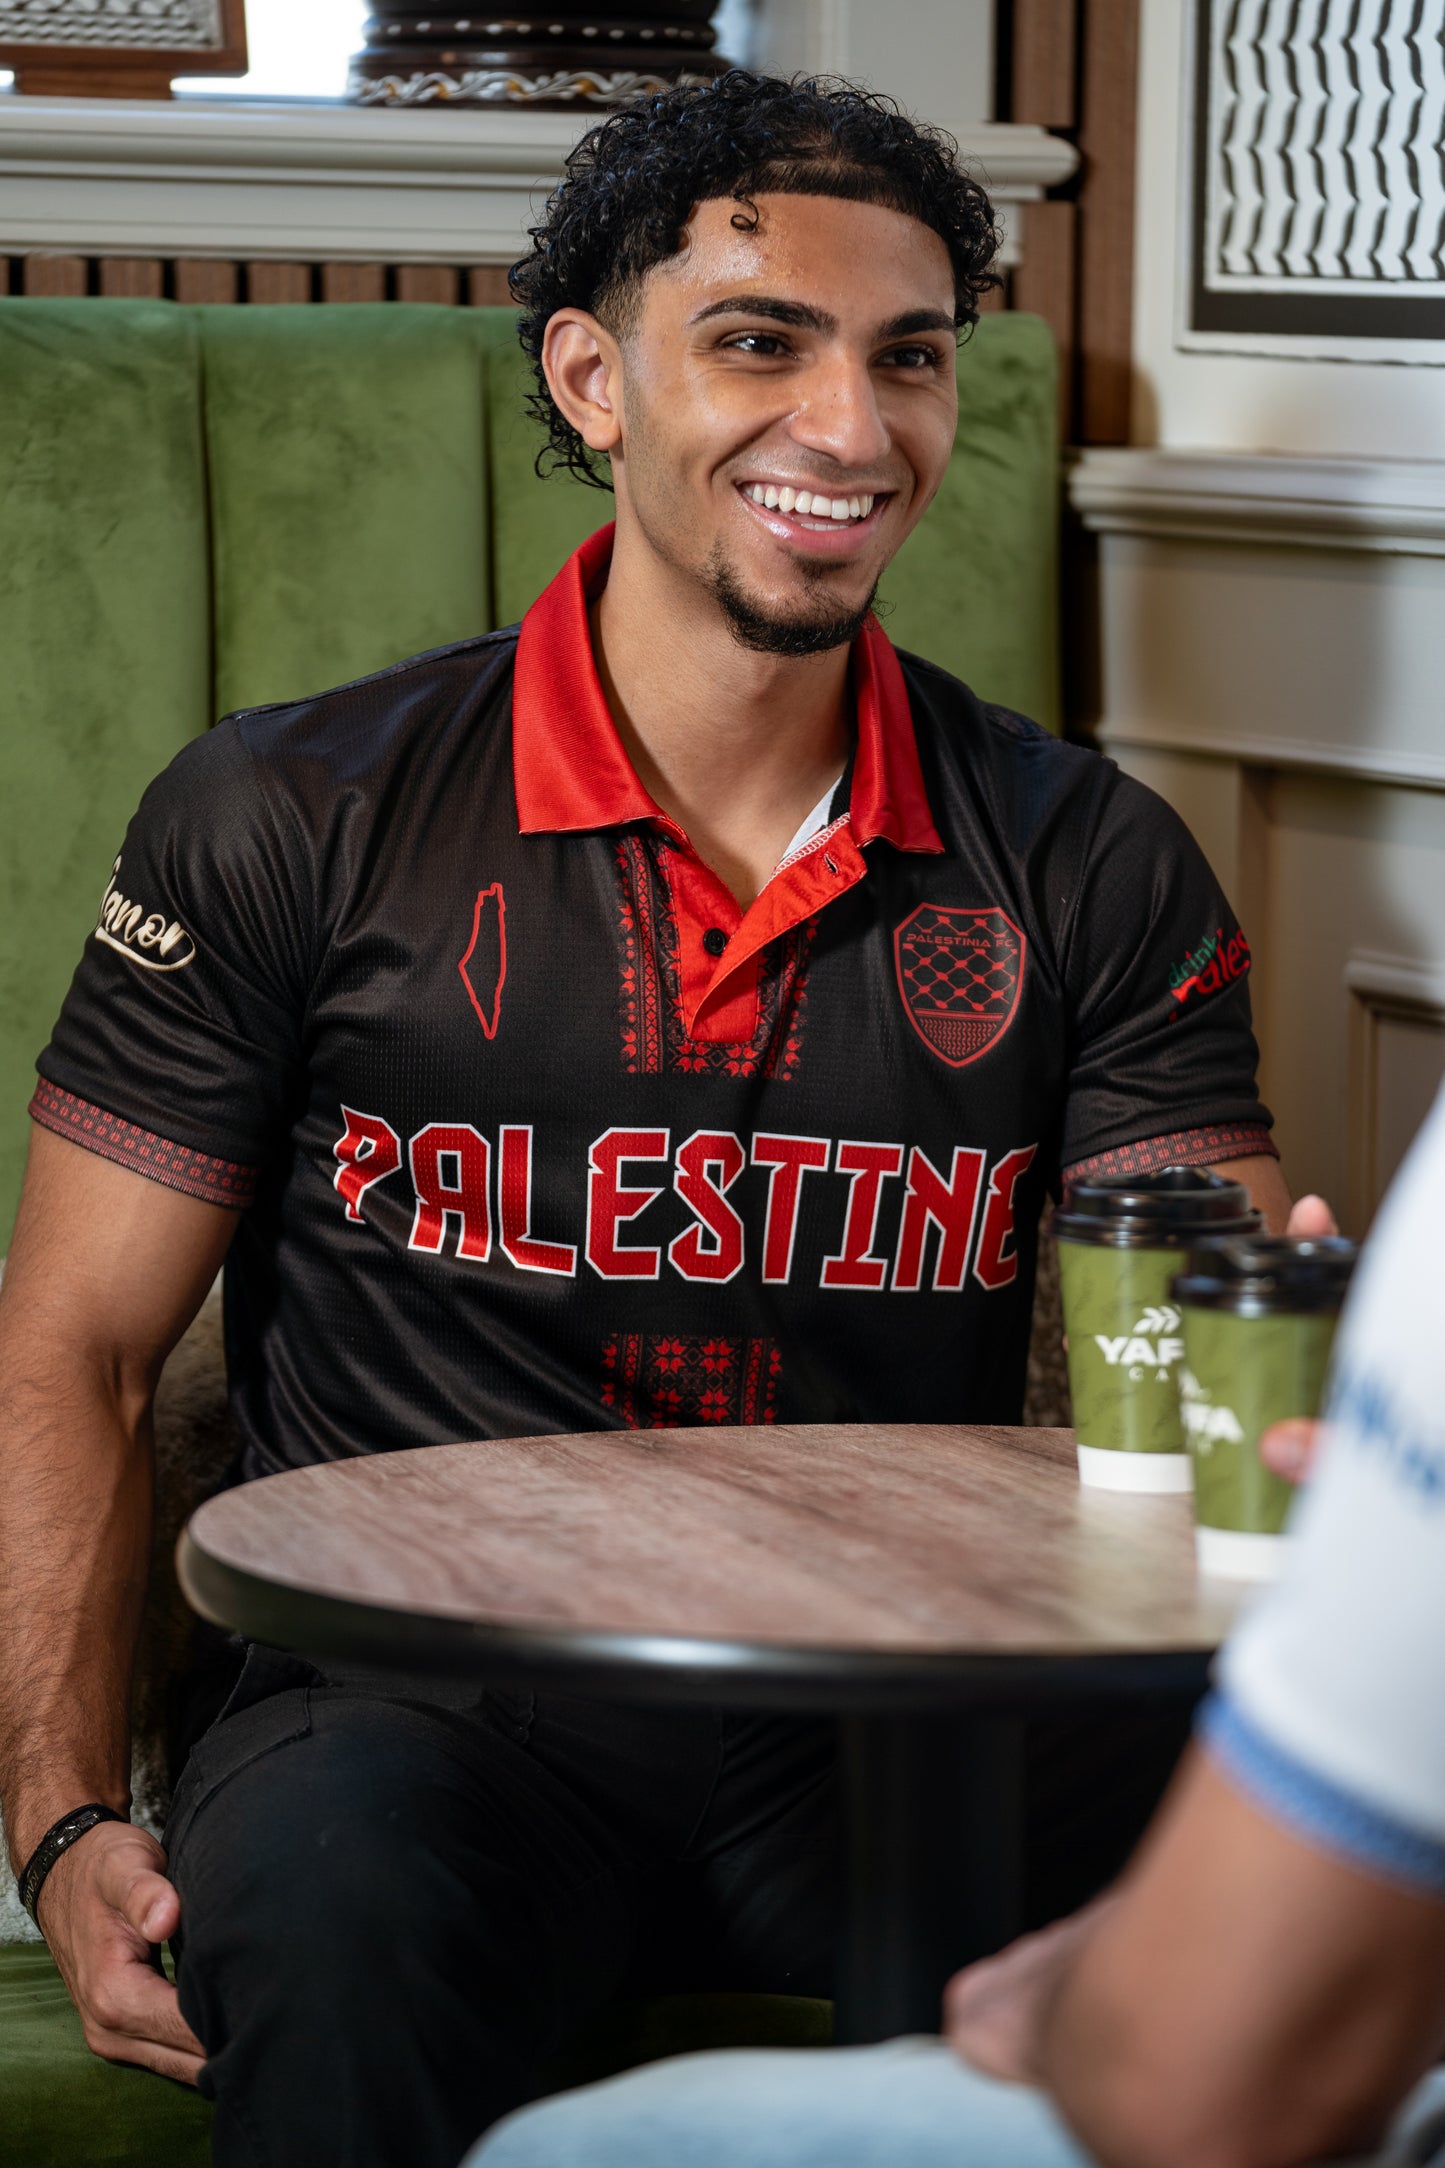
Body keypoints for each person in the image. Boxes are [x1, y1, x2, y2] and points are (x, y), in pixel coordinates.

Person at [0, 69, 1304, 2168]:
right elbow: (73, 1342)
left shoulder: (1086, 858)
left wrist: (1299, 1359)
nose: (851, 429)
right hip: (408, 1709)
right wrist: (62, 1822)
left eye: (904, 359)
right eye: (758, 341)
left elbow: (1202, 1346)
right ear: (592, 380)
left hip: (908, 1716)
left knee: (1244, 1952)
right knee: (333, 1934)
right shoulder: (285, 815)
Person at [469, 1080, 1445, 2168]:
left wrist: (1067, 1991)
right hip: (487, 1715)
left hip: (1196, 2035)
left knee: (562, 2151)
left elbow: (1195, 2090)